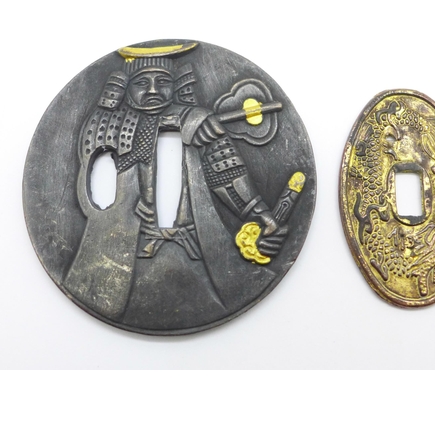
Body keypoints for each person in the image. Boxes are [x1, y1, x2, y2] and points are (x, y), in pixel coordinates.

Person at [63, 43, 286, 330]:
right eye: (141, 83)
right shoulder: (109, 124)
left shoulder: (199, 122)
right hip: (121, 251)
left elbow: (227, 174)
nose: (153, 90)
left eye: (163, 82)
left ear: (177, 85)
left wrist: (263, 218)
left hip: (199, 250)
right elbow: (91, 165)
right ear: (124, 88)